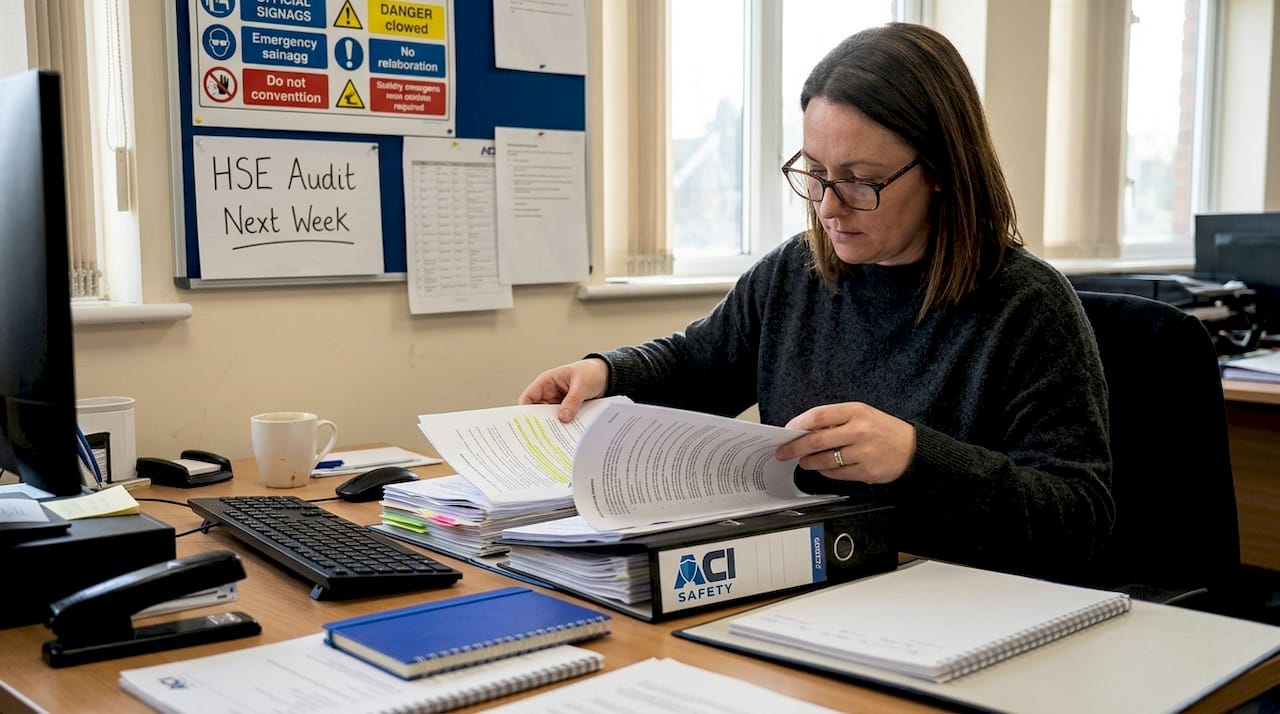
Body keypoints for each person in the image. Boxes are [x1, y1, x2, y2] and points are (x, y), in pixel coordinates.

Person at [519, 23, 1113, 584]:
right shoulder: (795, 272)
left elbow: (1078, 519)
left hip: (959, 599)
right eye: (815, 173)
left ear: (941, 171)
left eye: (860, 180)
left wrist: (916, 457)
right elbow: (698, 365)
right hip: (809, 578)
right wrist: (605, 373)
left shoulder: (1027, 306)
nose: (828, 208)